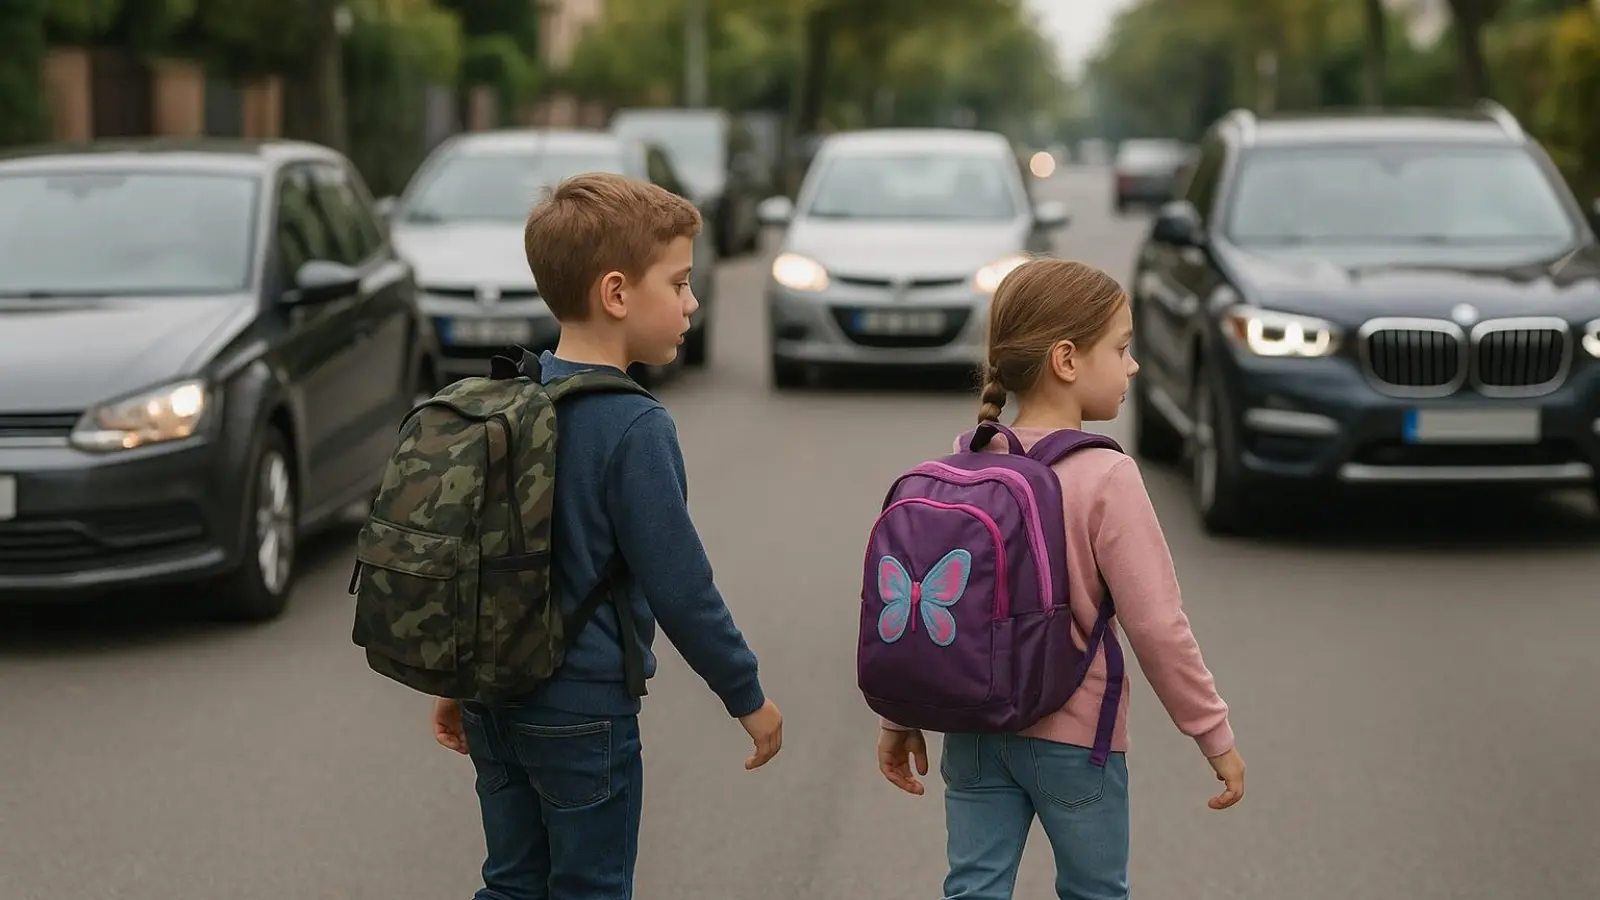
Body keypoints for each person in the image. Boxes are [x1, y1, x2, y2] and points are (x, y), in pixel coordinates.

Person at [428, 172, 784, 900]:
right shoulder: (634, 426)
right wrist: (747, 696)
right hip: (582, 712)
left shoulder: (508, 402)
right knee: (592, 887)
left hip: (492, 700)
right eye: (679, 284)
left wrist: (452, 680)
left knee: (512, 883)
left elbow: (474, 558)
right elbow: (682, 587)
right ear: (617, 294)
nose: (692, 302)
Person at [874, 259, 1245, 900]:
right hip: (1077, 741)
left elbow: (940, 616)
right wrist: (1212, 732)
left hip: (974, 730)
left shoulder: (968, 462)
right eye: (1122, 349)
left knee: (973, 889)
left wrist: (900, 716)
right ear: (1067, 360)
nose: (1132, 366)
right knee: (1094, 892)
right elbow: (1157, 625)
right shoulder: (1107, 476)